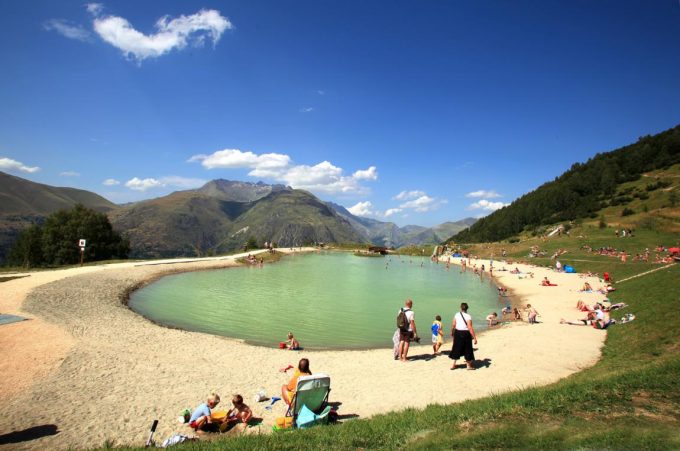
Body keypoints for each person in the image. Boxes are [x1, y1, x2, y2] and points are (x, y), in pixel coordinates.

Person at [449, 302, 477, 370]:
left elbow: (453, 325)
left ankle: (453, 365)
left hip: (458, 333)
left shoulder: (457, 314)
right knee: (468, 349)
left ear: (461, 308)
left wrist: (452, 332)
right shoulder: (468, 316)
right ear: (467, 308)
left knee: (456, 348)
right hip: (466, 333)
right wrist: (475, 337)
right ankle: (468, 365)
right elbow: (470, 327)